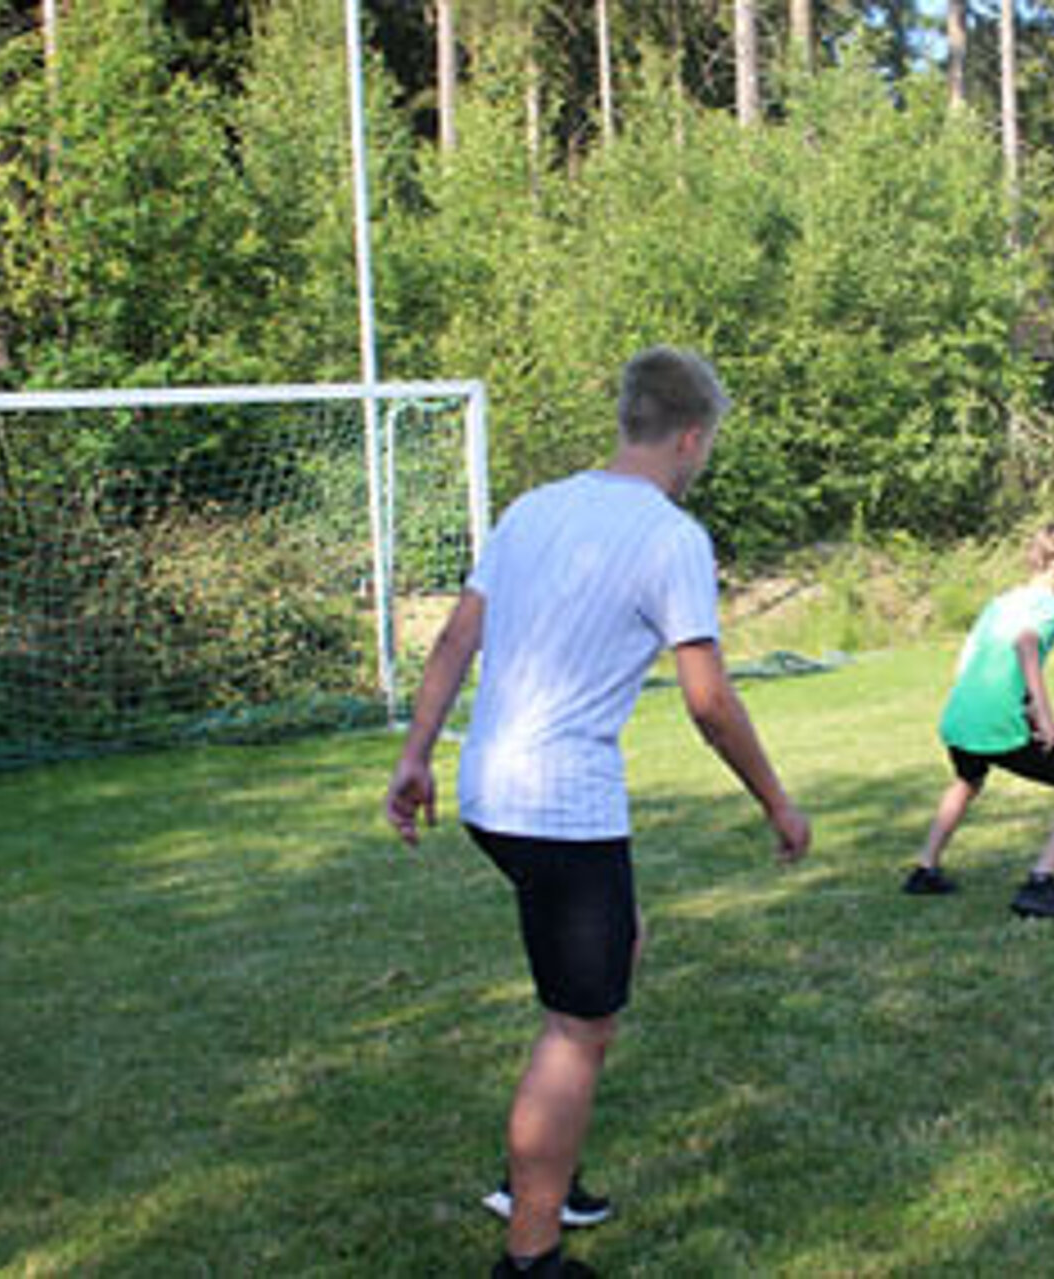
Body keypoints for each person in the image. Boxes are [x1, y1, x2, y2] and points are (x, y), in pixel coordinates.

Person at [384, 347, 811, 1278]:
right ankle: (531, 1247)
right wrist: (777, 801)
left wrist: (418, 753)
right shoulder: (669, 537)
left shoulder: (536, 507)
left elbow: (459, 632)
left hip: (493, 790)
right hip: (560, 803)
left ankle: (550, 1164)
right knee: (578, 1025)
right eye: (707, 447)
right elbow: (709, 700)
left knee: (617, 950)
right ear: (691, 437)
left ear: (630, 419)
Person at [904, 522, 1054, 919]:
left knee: (968, 780)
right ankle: (1040, 884)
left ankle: (925, 869)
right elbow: (1026, 646)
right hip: (997, 726)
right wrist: (1047, 723)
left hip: (960, 717)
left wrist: (1024, 710)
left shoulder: (1002, 601)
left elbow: (968, 657)